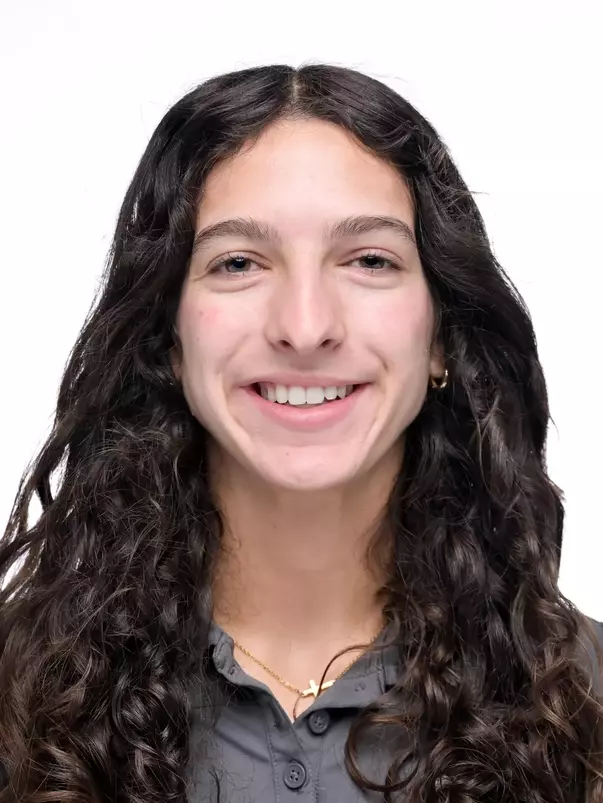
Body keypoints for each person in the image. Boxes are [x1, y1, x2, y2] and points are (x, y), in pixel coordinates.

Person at [0, 63, 601, 803]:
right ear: (168, 338)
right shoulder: (15, 692)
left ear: (442, 336)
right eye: (239, 262)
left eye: (369, 260)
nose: (305, 326)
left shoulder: (583, 698)